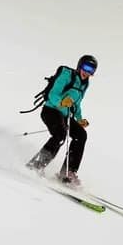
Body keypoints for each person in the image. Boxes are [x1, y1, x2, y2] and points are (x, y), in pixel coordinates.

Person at [28, 54, 97, 186]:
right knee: (60, 134)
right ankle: (37, 165)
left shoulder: (84, 84)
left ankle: (68, 172)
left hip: (65, 116)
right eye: (86, 67)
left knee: (81, 135)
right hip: (50, 111)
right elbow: (52, 94)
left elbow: (76, 103)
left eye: (91, 70)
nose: (87, 72)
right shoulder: (67, 75)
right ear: (79, 66)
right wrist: (61, 102)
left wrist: (79, 119)